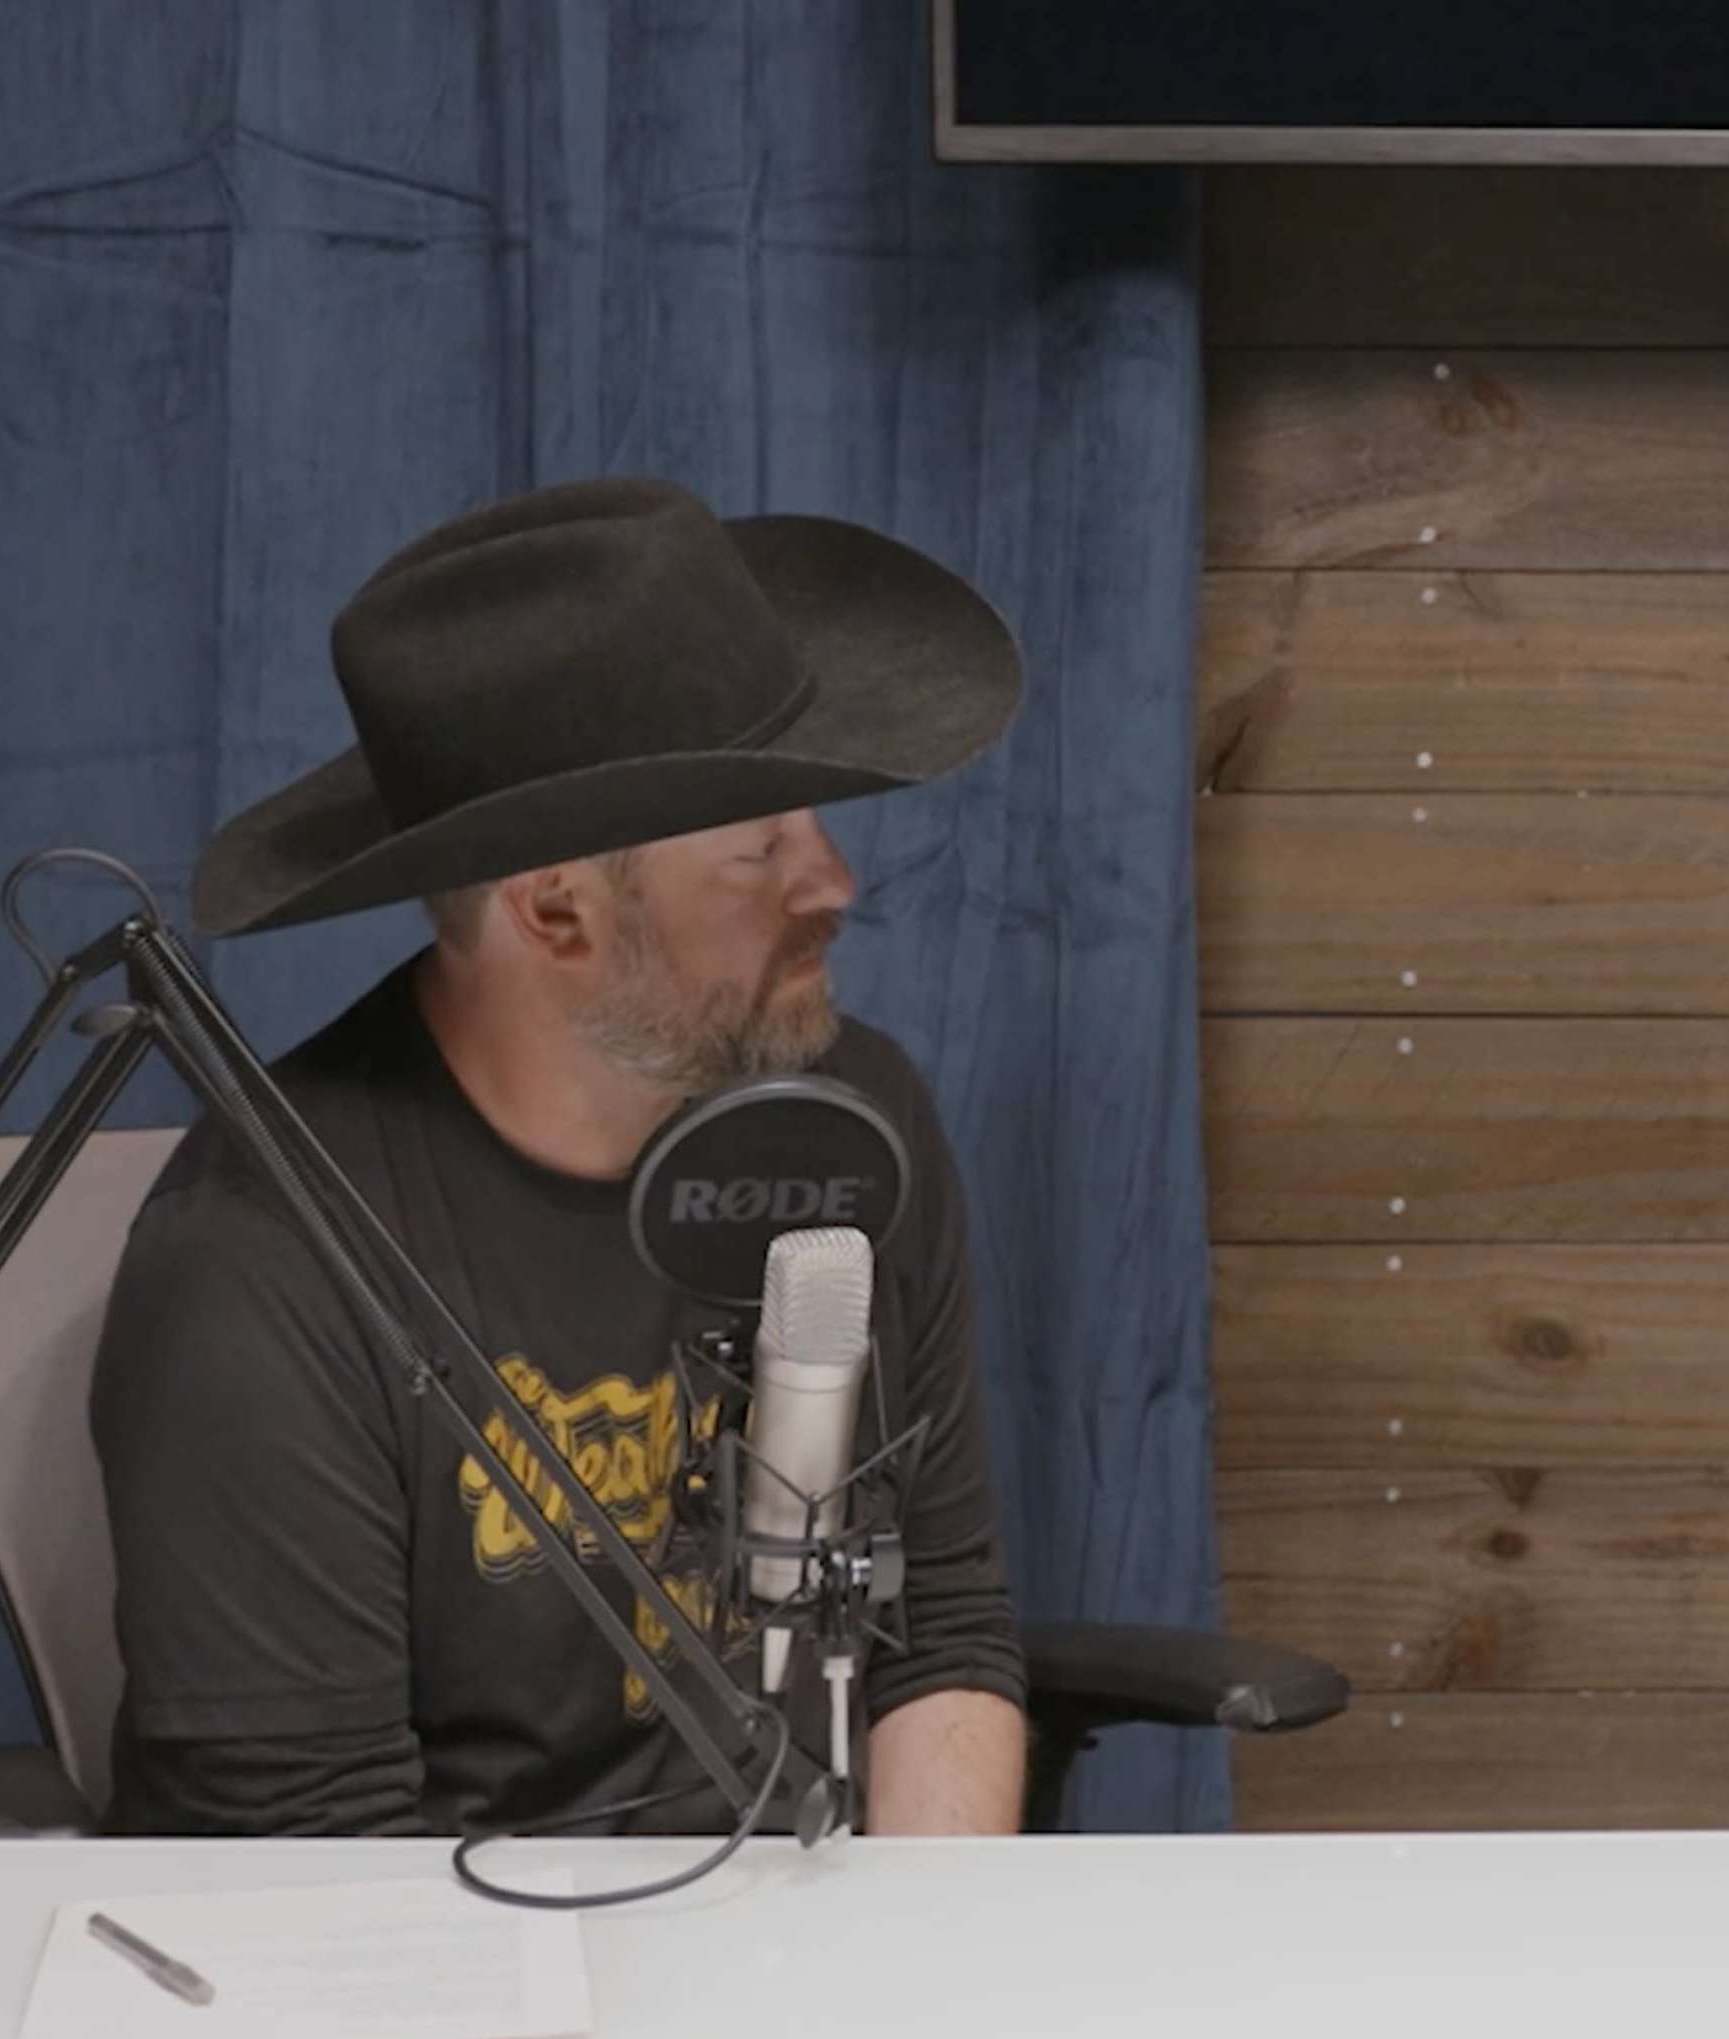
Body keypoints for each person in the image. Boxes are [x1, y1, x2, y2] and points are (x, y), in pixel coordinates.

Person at [90, 478, 1034, 1835]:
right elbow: (309, 1872)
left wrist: (922, 1992)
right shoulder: (259, 1260)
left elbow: (939, 1638)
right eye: (761, 845)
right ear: (556, 912)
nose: (834, 881)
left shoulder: (846, 1128)